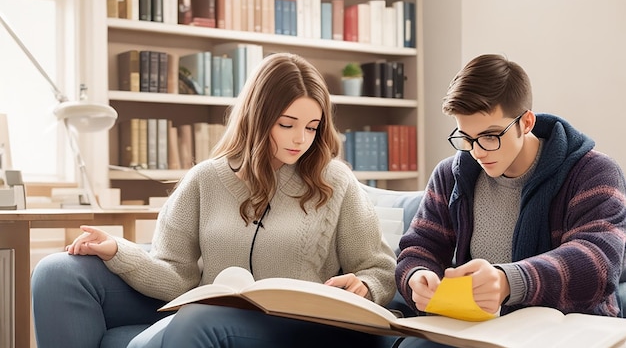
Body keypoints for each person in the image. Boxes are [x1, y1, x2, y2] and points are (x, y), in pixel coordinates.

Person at [31, 52, 398, 348]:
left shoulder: (334, 182)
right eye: (287, 124)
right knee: (55, 272)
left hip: (299, 326)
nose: (300, 139)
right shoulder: (206, 179)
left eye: (312, 127)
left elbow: (380, 269)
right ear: (259, 117)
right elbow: (176, 276)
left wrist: (365, 285)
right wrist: (116, 250)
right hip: (210, 309)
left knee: (198, 318)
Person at [395, 54, 626, 347]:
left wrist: (508, 281)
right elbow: (418, 247)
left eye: (490, 136)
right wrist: (417, 276)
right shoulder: (451, 174)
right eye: (466, 137)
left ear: (526, 122)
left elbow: (598, 262)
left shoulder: (593, 171)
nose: (477, 152)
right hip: (477, 330)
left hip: (570, 331)